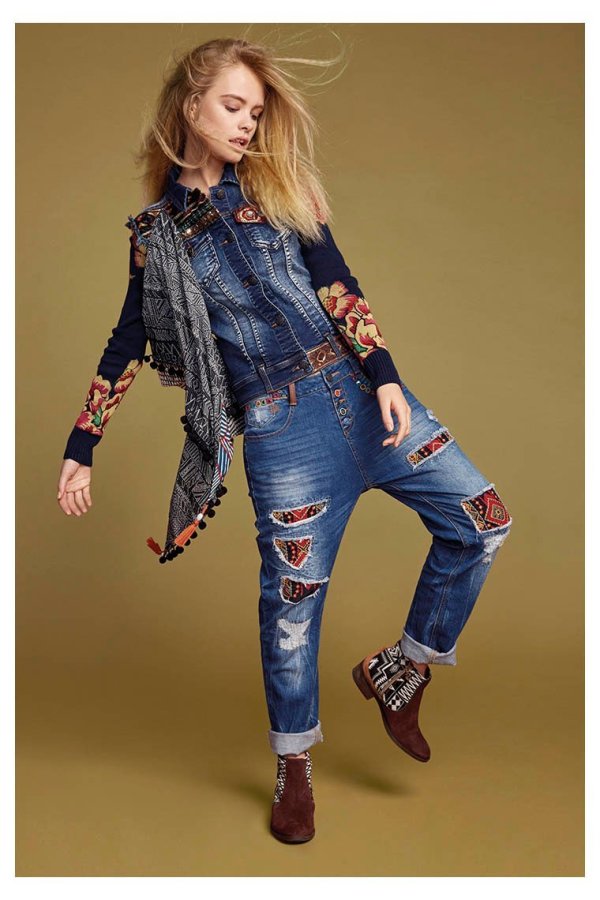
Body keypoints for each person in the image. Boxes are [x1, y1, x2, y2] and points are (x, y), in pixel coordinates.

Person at [57, 37, 513, 845]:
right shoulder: (157, 236)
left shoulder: (278, 186)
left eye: (256, 111)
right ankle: (293, 765)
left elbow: (336, 282)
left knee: (482, 521)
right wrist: (81, 444)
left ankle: (403, 668)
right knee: (293, 607)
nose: (246, 123)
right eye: (232, 106)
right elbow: (130, 338)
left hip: (362, 398)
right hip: (280, 427)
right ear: (190, 106)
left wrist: (385, 375)